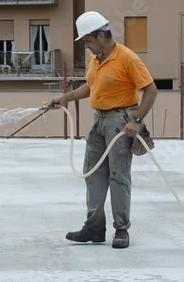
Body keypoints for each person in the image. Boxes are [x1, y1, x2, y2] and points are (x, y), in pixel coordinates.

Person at [48, 11, 158, 248]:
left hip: (120, 122)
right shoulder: (95, 59)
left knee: (118, 176)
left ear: (100, 36)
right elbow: (91, 86)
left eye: (87, 41)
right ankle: (94, 228)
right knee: (92, 173)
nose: (86, 46)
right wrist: (65, 97)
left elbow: (151, 91)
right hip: (98, 121)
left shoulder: (127, 58)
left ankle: (121, 230)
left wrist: (136, 120)